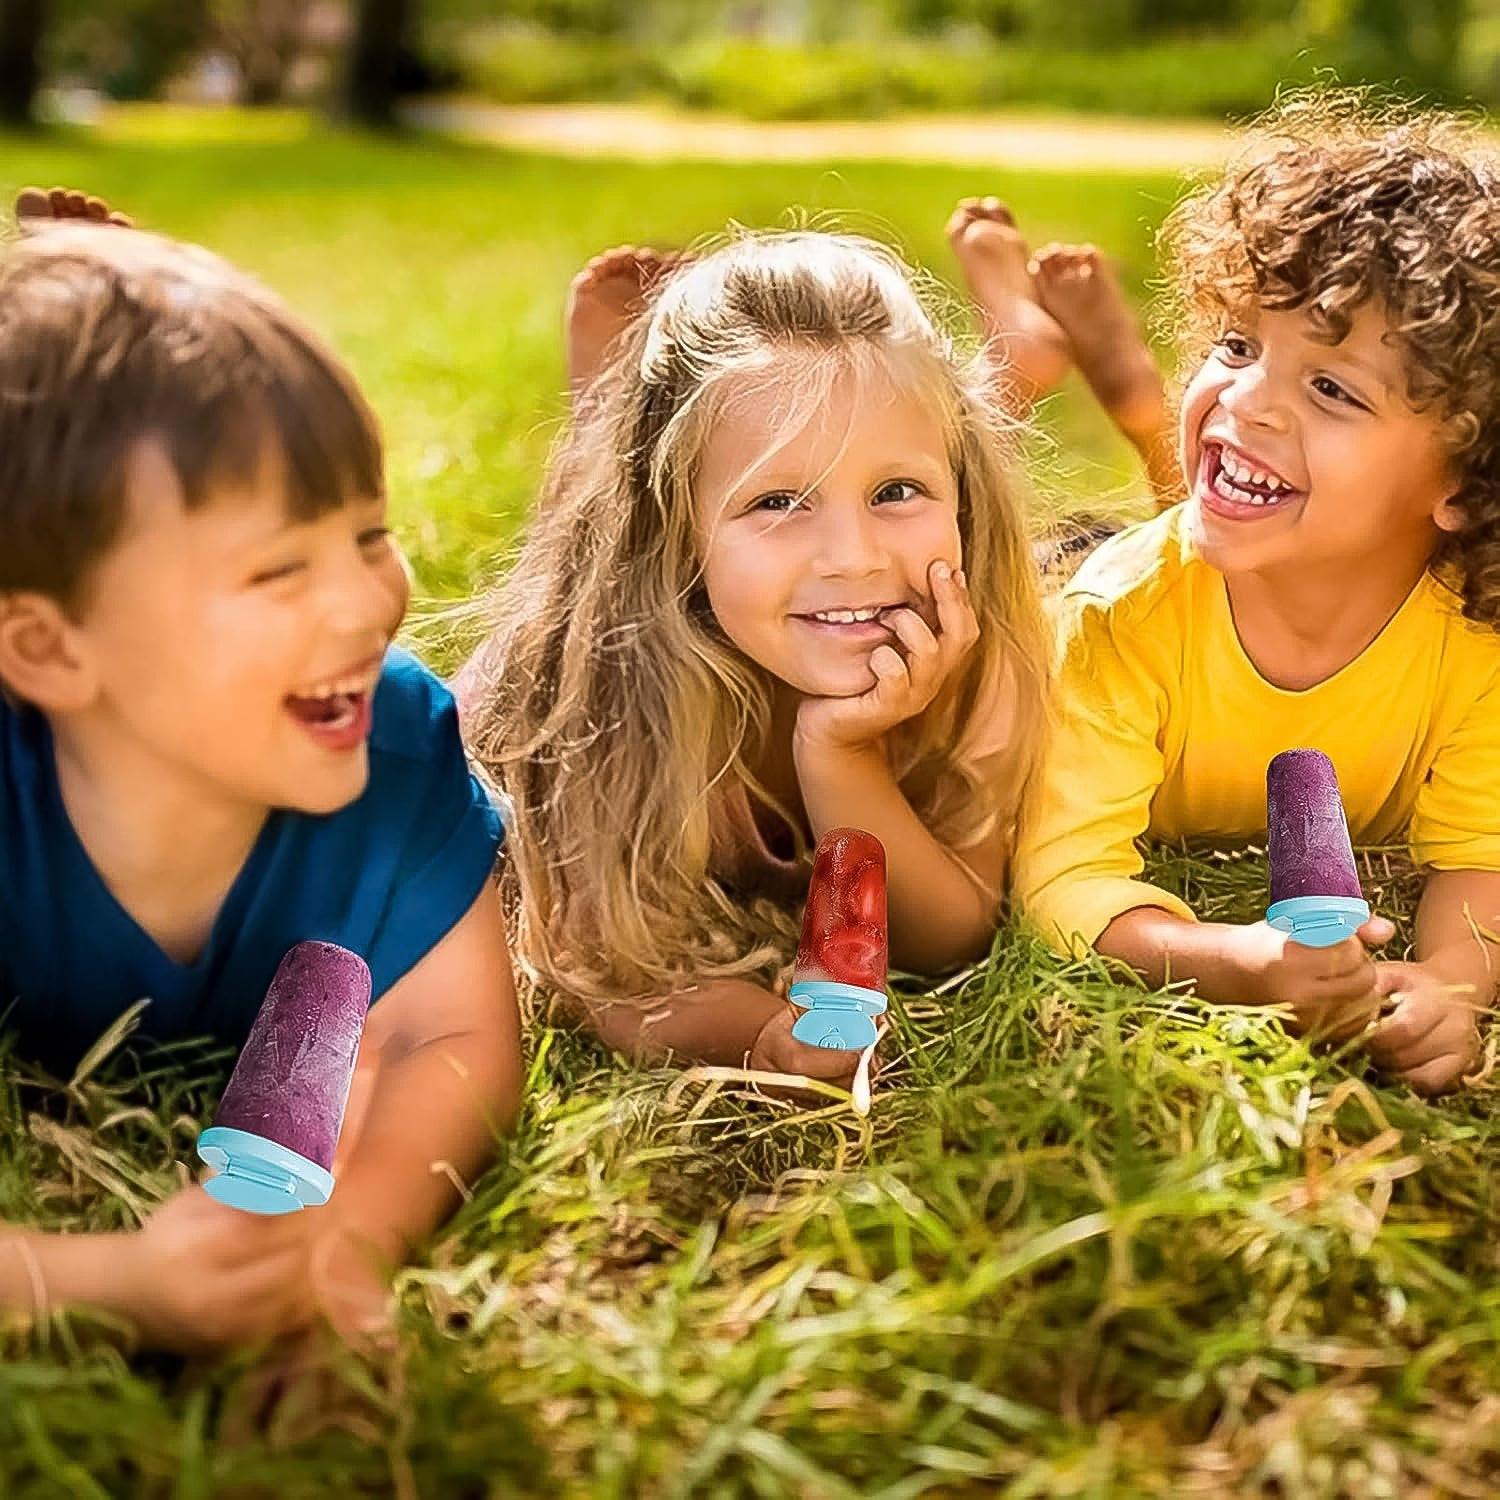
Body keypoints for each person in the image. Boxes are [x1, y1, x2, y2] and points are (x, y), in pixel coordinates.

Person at [0, 215, 524, 1352]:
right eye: (280, 568)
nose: (365, 605)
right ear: (49, 649)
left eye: (368, 535)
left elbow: (454, 1036)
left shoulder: (395, 737)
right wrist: (107, 1279)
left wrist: (346, 1253)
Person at [458, 230, 1050, 1090]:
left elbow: (952, 936)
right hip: (600, 651)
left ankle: (634, 420)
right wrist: (766, 1034)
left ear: (963, 492)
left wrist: (841, 753)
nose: (853, 556)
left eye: (897, 491)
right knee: (593, 525)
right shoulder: (598, 687)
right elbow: (602, 975)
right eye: (777, 500)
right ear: (676, 530)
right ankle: (601, 415)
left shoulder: (975, 633)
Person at [1015, 94, 1500, 1095]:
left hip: (1234, 540)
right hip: (1065, 573)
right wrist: (1235, 963)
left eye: (1333, 390)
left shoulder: (1474, 642)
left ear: (1463, 478)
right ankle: (1087, 379)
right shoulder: (1117, 620)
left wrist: (1453, 983)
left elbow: (1481, 855)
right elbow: (1062, 879)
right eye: (1236, 346)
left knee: (1235, 491)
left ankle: (1129, 394)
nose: (1247, 398)